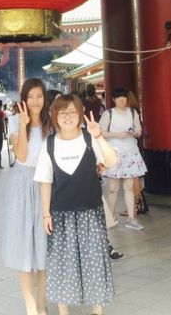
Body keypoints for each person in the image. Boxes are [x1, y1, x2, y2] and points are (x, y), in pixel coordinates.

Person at [35, 94, 117, 315]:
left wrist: (98, 136)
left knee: (95, 262)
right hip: (60, 215)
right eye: (62, 112)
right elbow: (45, 181)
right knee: (63, 265)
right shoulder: (49, 144)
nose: (68, 117)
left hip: (91, 212)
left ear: (80, 114)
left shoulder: (89, 139)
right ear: (55, 117)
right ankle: (64, 311)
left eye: (72, 112)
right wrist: (46, 214)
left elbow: (111, 161)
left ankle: (97, 311)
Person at [2, 78, 52, 315]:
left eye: (39, 96)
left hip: (46, 186)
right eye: (30, 96)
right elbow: (21, 156)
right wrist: (22, 126)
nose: (35, 101)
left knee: (44, 246)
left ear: (45, 98)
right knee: (24, 244)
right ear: (23, 98)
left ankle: (42, 304)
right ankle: (30, 305)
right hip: (23, 185)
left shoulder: (51, 124)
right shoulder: (14, 121)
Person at [99, 87, 147, 231]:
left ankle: (131, 219)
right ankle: (110, 218)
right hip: (114, 154)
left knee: (129, 187)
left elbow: (139, 131)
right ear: (113, 99)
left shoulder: (133, 113)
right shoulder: (108, 114)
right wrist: (118, 134)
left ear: (127, 99)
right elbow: (101, 133)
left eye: (124, 97)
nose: (121, 100)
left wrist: (135, 132)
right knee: (113, 188)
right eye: (118, 97)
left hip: (131, 153)